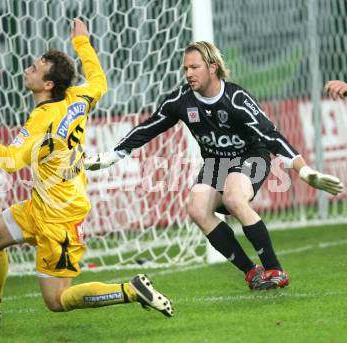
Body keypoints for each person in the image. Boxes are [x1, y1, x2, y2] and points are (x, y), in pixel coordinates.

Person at [0, 19, 173, 327]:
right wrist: (82, 42)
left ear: (48, 85)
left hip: (59, 220)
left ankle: (130, 290)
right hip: (42, 205)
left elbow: (10, 161)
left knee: (57, 301)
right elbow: (99, 80)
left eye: (35, 68)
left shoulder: (42, 119)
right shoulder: (78, 97)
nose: (28, 68)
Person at [85, 41, 344, 290]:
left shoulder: (236, 99)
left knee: (233, 197)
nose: (188, 73)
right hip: (215, 162)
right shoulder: (181, 100)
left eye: (194, 67)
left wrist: (304, 170)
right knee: (197, 209)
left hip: (250, 155)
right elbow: (149, 127)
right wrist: (113, 155)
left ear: (212, 67)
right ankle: (252, 273)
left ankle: (275, 270)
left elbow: (271, 135)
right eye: (185, 68)